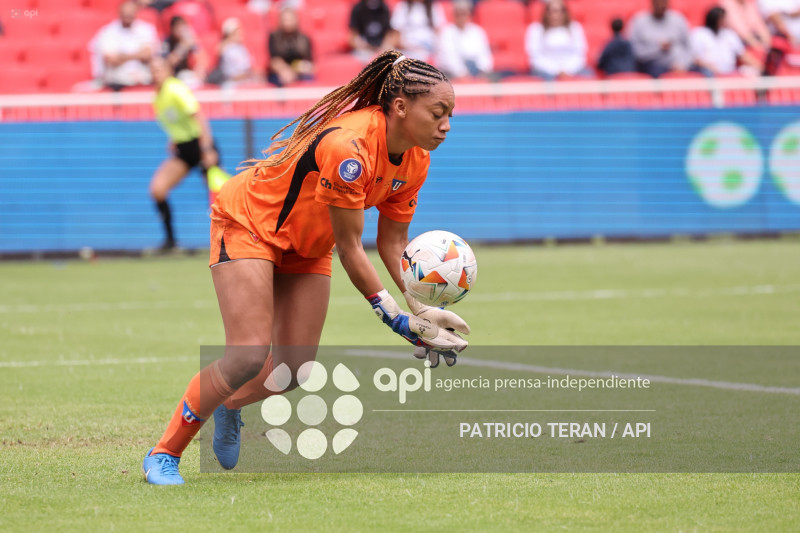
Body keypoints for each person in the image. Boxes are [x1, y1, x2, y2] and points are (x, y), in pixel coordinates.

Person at [142, 50, 470, 485]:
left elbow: (392, 243)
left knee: (293, 370)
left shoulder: (416, 161)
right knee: (247, 354)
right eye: (438, 112)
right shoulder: (349, 147)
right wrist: (396, 318)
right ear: (401, 107)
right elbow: (352, 247)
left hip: (308, 246)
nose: (446, 124)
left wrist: (421, 306)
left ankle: (230, 404)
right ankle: (163, 454)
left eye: (450, 114)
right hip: (251, 222)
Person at [149, 56, 219, 251]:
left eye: (160, 69)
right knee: (158, 189)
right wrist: (174, 139)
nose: (156, 73)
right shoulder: (158, 96)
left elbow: (198, 115)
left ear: (168, 70)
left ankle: (234, 241)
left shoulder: (175, 88)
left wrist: (207, 148)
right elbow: (178, 122)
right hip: (184, 149)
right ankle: (171, 242)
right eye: (153, 70)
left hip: (200, 145)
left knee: (221, 197)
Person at [88, 1, 159, 90]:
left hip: (143, 77)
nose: (127, 17)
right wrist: (138, 54)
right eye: (125, 14)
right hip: (117, 81)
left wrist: (122, 56)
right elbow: (111, 60)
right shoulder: (108, 31)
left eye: (130, 14)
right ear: (119, 13)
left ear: (135, 12)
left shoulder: (146, 29)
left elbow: (147, 54)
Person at [525, 0, 593, 80]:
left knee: (589, 75)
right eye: (552, 11)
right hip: (545, 71)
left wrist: (568, 70)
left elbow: (580, 53)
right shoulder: (536, 29)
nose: (556, 15)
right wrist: (555, 71)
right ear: (546, 13)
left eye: (560, 11)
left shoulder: (575, 27)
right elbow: (535, 57)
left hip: (573, 69)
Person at [690, 6, 764, 76]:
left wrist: (759, 66)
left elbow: (742, 54)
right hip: (707, 72)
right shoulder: (699, 34)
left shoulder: (729, 34)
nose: (725, 21)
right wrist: (710, 67)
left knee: (752, 72)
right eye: (722, 19)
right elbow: (694, 59)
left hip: (730, 71)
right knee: (707, 73)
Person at [629, 0, 693, 78]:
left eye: (664, 2)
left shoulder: (679, 19)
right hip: (652, 66)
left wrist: (683, 64)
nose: (661, 5)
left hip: (680, 65)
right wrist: (657, 48)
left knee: (704, 73)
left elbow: (689, 48)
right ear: (652, 3)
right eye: (658, 2)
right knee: (656, 72)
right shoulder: (639, 21)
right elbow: (634, 51)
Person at [436, 0, 493, 79]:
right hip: (452, 75)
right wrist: (463, 74)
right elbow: (449, 59)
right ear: (454, 14)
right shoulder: (446, 32)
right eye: (458, 13)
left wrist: (481, 71)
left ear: (470, 14)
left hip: (476, 72)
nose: (461, 17)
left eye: (464, 13)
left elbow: (485, 56)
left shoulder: (477, 31)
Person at [267, 7, 314, 87]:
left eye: (290, 20)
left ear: (296, 20)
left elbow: (310, 63)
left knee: (309, 80)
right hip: (280, 72)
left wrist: (295, 72)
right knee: (279, 80)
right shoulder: (274, 37)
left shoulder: (304, 38)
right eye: (285, 20)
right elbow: (274, 60)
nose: (287, 23)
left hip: (300, 73)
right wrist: (285, 71)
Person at [163, 15, 208, 88]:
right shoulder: (167, 42)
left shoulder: (189, 40)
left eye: (182, 26)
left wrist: (199, 71)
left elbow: (201, 58)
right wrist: (182, 48)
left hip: (186, 75)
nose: (180, 29)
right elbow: (167, 64)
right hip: (172, 76)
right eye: (177, 27)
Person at [215, 17, 255, 85]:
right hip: (230, 83)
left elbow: (248, 67)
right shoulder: (225, 48)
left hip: (245, 80)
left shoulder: (241, 48)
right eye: (236, 32)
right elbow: (229, 73)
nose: (240, 34)